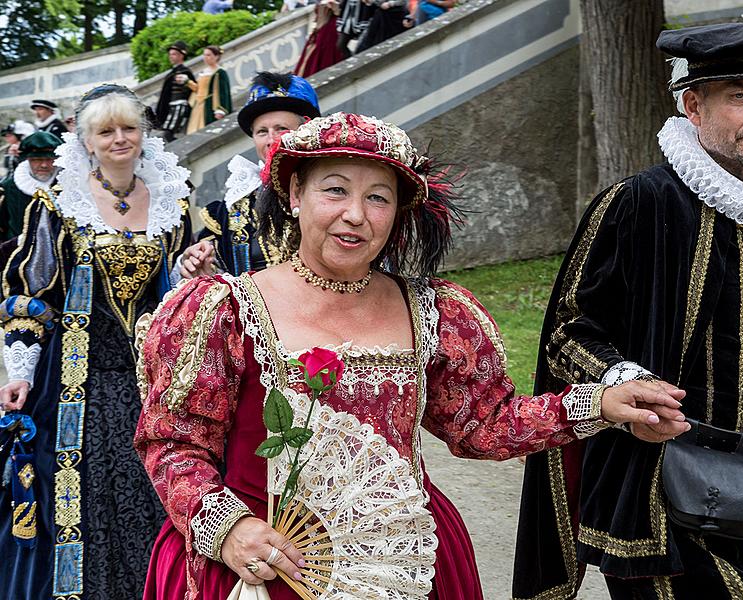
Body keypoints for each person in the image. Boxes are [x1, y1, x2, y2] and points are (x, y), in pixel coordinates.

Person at [134, 111, 688, 599]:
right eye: (335, 190)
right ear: (294, 195)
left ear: (398, 214)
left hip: (408, 563)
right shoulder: (225, 310)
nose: (356, 214)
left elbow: (484, 425)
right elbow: (174, 443)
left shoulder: (434, 311)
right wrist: (227, 530)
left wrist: (601, 404)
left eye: (379, 197)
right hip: (262, 561)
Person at [513, 23, 743, 600]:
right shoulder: (637, 205)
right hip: (662, 497)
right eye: (741, 96)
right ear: (693, 105)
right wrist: (628, 387)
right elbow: (569, 334)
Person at [0, 84, 193, 600]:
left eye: (129, 127)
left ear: (143, 133)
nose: (119, 138)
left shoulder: (174, 202)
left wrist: (195, 267)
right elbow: (29, 293)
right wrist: (19, 372)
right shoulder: (59, 205)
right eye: (106, 130)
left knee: (160, 490)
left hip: (154, 382)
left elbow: (186, 289)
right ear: (87, 140)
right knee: (83, 499)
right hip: (75, 384)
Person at [178, 71, 320, 281]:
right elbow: (217, 274)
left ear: (306, 130)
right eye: (262, 132)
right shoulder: (228, 211)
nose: (271, 140)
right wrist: (199, 264)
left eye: (281, 128)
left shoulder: (332, 192)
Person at [0, 131, 62, 241]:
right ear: (27, 159)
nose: (44, 165)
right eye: (37, 160)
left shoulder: (67, 184)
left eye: (49, 160)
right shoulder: (8, 188)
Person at [186, 45, 233, 134]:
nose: (205, 58)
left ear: (216, 56)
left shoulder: (220, 72)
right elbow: (198, 89)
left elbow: (223, 92)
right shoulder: (204, 72)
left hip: (210, 105)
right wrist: (187, 82)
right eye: (204, 55)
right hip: (198, 105)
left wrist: (220, 110)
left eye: (208, 55)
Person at [155, 41, 196, 142]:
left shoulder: (185, 72)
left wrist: (186, 82)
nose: (171, 57)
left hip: (180, 105)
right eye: (170, 54)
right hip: (171, 106)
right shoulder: (171, 73)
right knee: (167, 131)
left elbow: (193, 89)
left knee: (169, 131)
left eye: (173, 54)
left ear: (181, 55)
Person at [293, 0, 343, 77]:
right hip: (319, 30)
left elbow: (338, 12)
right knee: (310, 53)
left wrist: (334, 7)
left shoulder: (332, 4)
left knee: (321, 52)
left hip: (329, 30)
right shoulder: (320, 3)